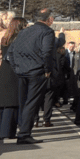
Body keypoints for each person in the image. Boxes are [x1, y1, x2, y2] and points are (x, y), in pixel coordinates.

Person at [7, 8, 56, 145]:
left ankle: (22, 131)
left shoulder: (24, 31)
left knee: (23, 102)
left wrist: (16, 68)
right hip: (36, 71)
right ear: (50, 19)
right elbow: (47, 52)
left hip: (22, 71)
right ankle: (24, 134)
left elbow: (11, 51)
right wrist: (47, 69)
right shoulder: (47, 32)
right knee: (32, 103)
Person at [0, 17, 26, 143]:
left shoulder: (5, 39)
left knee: (4, 102)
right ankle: (7, 132)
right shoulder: (18, 39)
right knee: (12, 102)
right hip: (14, 71)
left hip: (4, 70)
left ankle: (7, 131)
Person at [42, 43, 70, 127]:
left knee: (39, 98)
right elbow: (63, 67)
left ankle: (36, 119)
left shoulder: (41, 53)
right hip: (52, 79)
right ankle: (46, 119)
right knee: (49, 98)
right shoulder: (58, 56)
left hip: (39, 79)